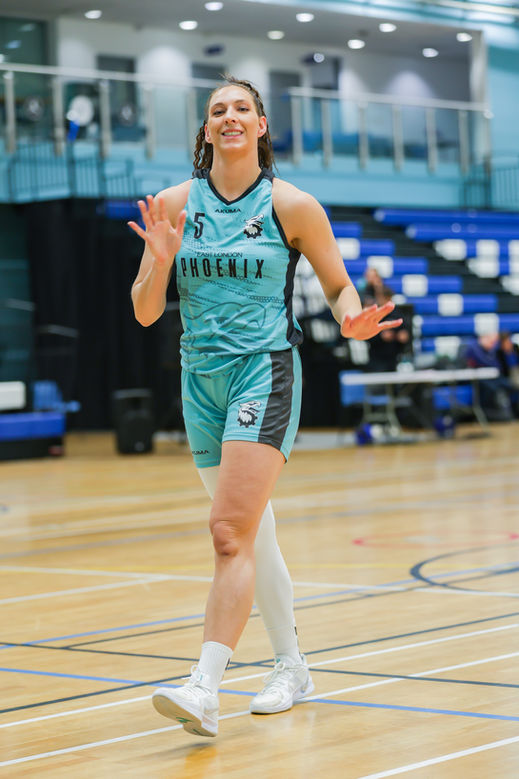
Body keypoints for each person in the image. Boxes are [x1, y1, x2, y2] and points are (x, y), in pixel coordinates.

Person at [129, 75, 402, 738]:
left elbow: (338, 286)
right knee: (254, 534)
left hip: (265, 373)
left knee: (228, 532)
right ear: (204, 129)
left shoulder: (292, 205)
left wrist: (350, 319)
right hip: (200, 381)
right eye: (217, 110)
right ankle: (293, 665)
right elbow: (142, 312)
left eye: (240, 109)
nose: (228, 117)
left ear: (259, 127)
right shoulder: (172, 202)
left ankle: (204, 685)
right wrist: (158, 261)